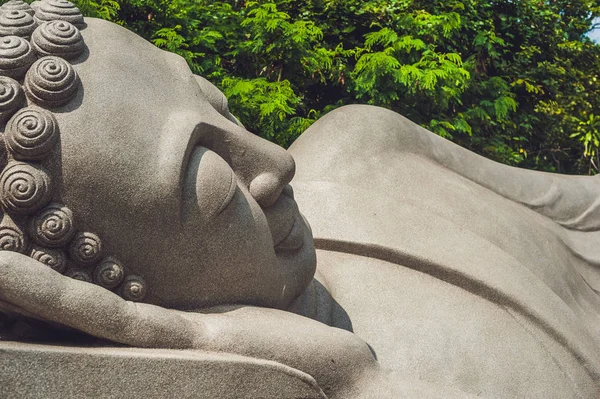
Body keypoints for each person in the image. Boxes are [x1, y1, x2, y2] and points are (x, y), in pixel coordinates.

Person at [0, 5, 598, 398]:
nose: (277, 162)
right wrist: (347, 376)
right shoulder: (326, 369)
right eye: (210, 181)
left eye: (217, 103)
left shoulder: (364, 145)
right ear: (110, 282)